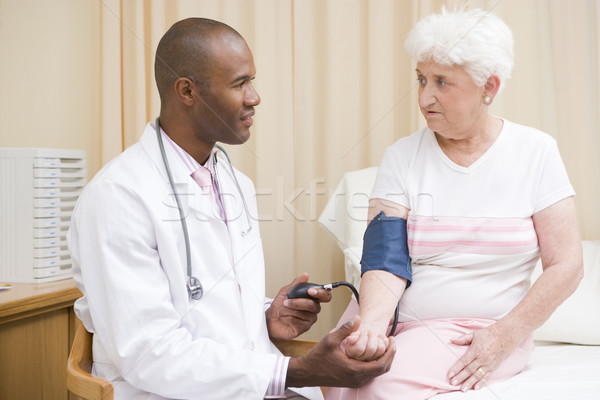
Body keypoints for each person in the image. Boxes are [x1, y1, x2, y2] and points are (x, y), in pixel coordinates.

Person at [68, 18, 394, 400]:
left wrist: (270, 316)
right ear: (187, 91)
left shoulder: (235, 183)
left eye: (251, 81)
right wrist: (298, 370)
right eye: (240, 83)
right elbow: (147, 354)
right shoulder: (117, 197)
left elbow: (207, 301)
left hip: (244, 385)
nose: (254, 97)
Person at [324, 8, 583, 400]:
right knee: (331, 371)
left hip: (480, 330)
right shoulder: (402, 156)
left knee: (377, 387)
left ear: (488, 87)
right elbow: (384, 257)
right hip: (390, 314)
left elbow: (567, 265)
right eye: (422, 79)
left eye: (443, 82)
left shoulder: (536, 152)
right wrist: (373, 326)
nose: (425, 96)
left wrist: (504, 336)